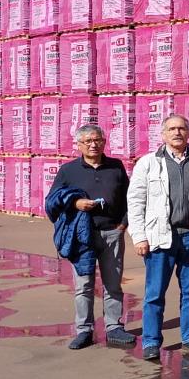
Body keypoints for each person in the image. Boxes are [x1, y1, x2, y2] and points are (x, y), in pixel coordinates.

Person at [127, 115, 189, 360]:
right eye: (172, 129)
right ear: (163, 134)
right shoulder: (148, 163)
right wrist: (138, 237)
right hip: (160, 238)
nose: (177, 132)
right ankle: (151, 342)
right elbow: (135, 202)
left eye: (181, 128)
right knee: (155, 292)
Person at [48, 124, 134, 350]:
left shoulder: (116, 167)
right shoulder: (68, 171)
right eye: (88, 141)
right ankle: (84, 330)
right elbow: (51, 201)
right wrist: (74, 203)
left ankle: (114, 327)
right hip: (82, 237)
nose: (94, 145)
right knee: (84, 285)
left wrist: (124, 223)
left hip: (111, 233)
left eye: (98, 140)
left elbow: (130, 197)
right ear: (79, 145)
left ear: (104, 142)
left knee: (113, 284)